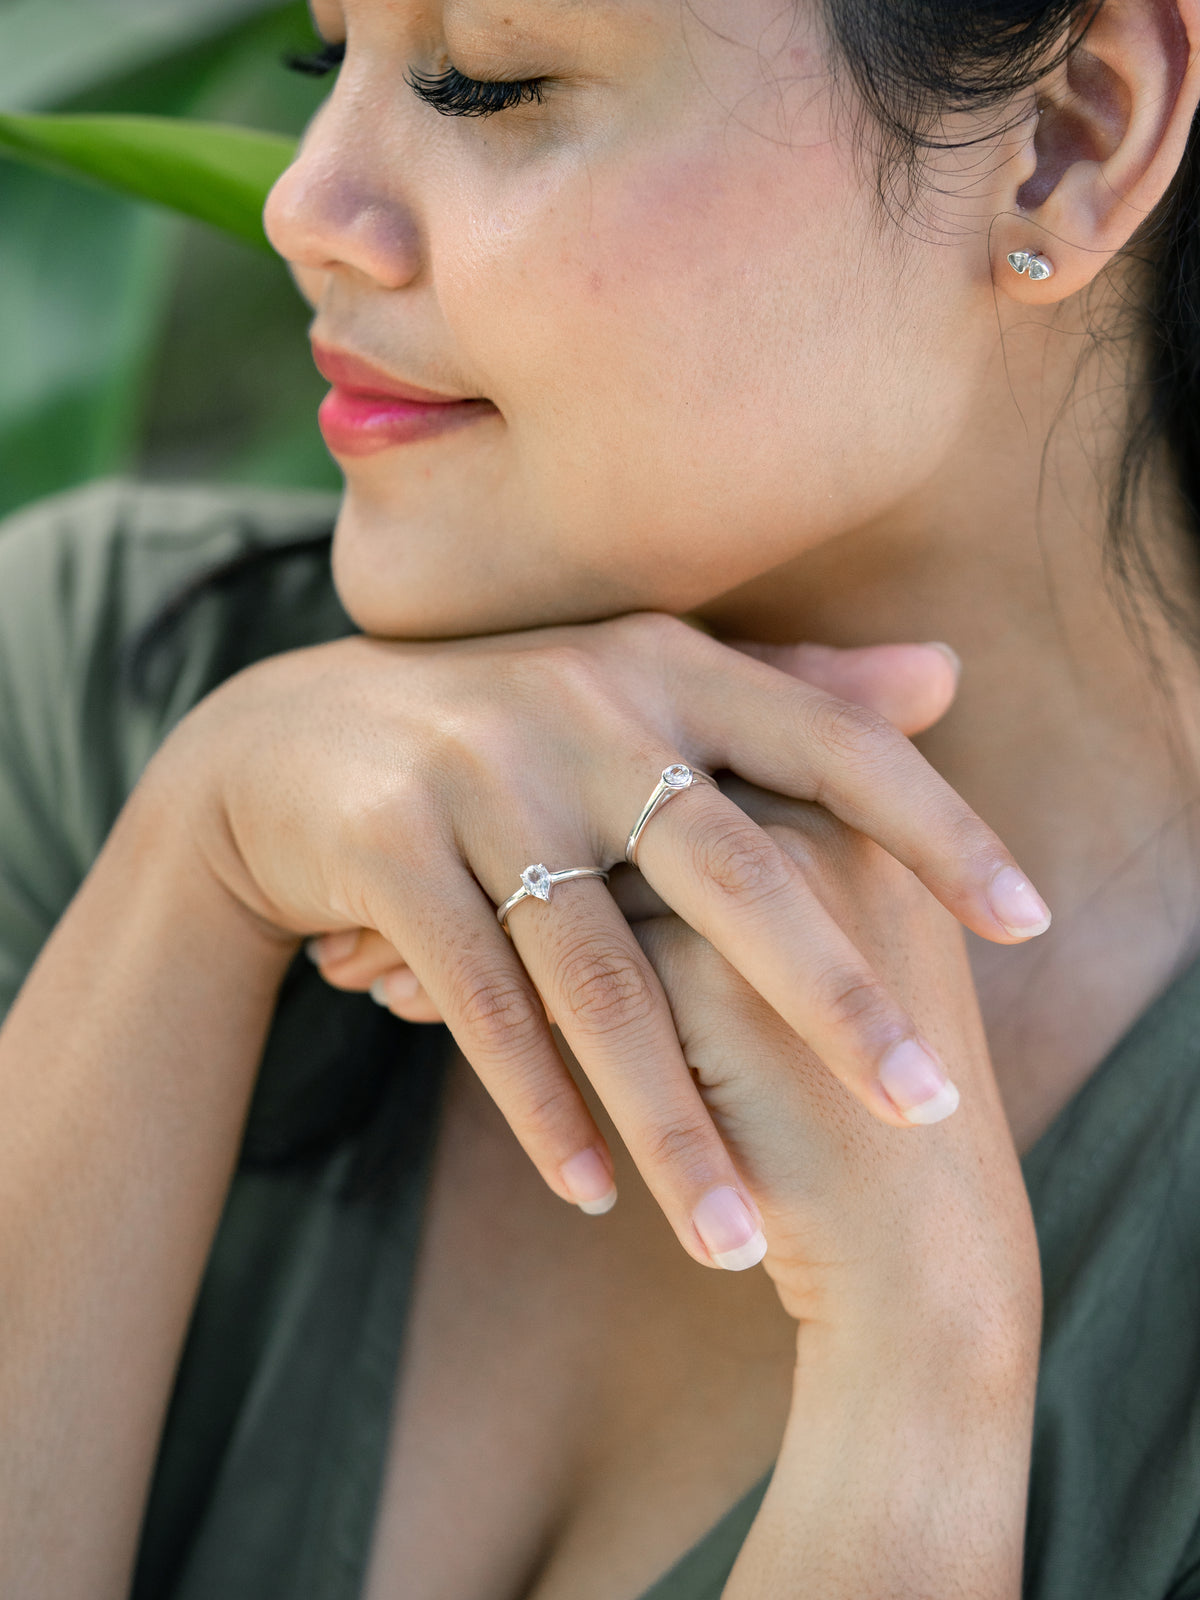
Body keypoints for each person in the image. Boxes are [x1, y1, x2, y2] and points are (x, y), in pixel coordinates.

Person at [3, 0, 1200, 1595]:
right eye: (326, 56)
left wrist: (930, 1375)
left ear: (1070, 139)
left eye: (484, 82)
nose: (305, 200)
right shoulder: (105, 688)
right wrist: (188, 864)